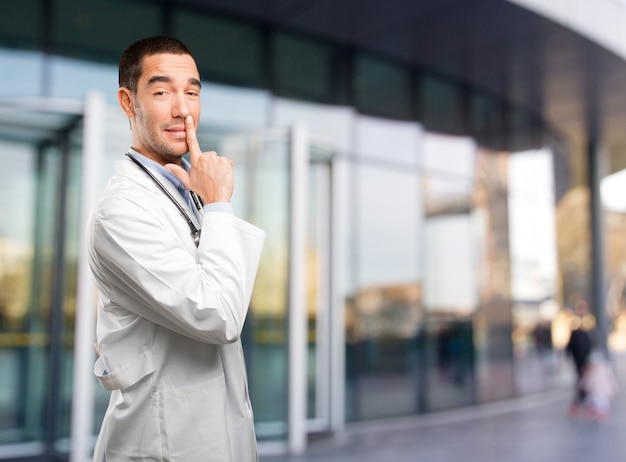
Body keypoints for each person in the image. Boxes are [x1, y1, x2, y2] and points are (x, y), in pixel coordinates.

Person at [87, 36, 266, 461]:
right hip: (162, 441)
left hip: (212, 431)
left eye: (192, 92)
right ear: (128, 102)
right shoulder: (121, 211)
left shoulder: (188, 192)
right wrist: (220, 204)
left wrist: (209, 201)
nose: (183, 109)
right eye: (163, 91)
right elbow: (219, 315)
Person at [565, 300, 593, 416]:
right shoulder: (574, 325)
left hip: (586, 359)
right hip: (579, 360)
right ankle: (579, 403)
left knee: (585, 382)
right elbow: (570, 345)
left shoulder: (589, 323)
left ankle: (583, 402)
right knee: (581, 381)